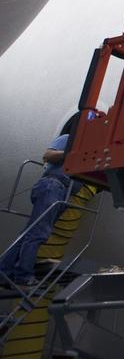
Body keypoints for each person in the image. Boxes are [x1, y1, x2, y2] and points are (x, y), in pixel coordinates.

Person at [1, 121, 81, 287]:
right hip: (53, 186)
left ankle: (4, 271)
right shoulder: (69, 139)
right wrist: (71, 153)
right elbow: (47, 155)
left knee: (30, 232)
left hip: (63, 193)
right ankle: (23, 275)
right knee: (38, 233)